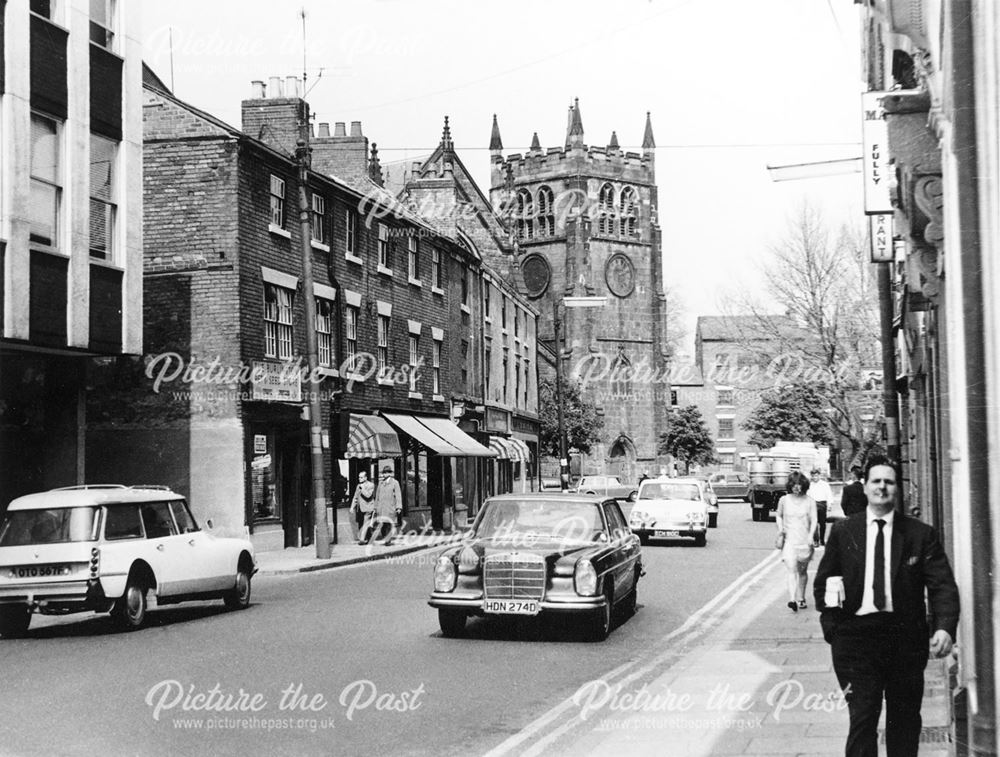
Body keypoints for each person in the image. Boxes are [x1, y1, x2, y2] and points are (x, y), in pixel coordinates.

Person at [814, 455, 959, 757]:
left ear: (898, 489)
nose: (882, 487)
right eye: (876, 481)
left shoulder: (920, 535)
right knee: (863, 718)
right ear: (865, 487)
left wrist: (945, 627)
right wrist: (834, 629)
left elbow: (942, 585)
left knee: (904, 722)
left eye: (889, 482)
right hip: (855, 642)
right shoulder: (844, 532)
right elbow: (823, 584)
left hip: (904, 641)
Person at [775, 471, 817, 612]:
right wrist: (781, 529)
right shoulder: (784, 500)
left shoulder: (810, 501)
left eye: (799, 485)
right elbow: (779, 516)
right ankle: (792, 599)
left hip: (804, 541)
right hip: (790, 542)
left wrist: (811, 535)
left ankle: (801, 597)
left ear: (803, 485)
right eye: (793, 484)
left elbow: (814, 520)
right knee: (791, 570)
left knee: (802, 572)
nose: (796, 487)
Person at [372, 464, 403, 546]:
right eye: (384, 473)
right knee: (382, 524)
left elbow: (398, 495)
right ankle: (385, 538)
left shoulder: (395, 483)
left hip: (390, 507)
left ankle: (388, 540)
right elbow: (377, 496)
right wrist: (375, 507)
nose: (384, 474)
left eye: (386, 473)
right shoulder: (381, 483)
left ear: (390, 473)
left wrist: (398, 507)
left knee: (389, 524)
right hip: (381, 508)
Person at [349, 470, 376, 544]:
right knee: (362, 524)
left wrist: (362, 488)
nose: (359, 479)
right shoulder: (359, 486)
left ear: (365, 478)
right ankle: (369, 539)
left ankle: (362, 539)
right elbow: (355, 497)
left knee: (365, 523)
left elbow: (368, 495)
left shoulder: (371, 485)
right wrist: (352, 507)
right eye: (359, 477)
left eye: (361, 477)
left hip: (368, 508)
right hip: (360, 509)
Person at [808, 468, 833, 547]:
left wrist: (829, 504)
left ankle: (822, 539)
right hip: (813, 504)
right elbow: (807, 496)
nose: (815, 477)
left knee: (822, 523)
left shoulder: (824, 484)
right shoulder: (810, 485)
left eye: (816, 475)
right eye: (813, 476)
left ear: (819, 475)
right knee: (814, 523)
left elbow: (829, 494)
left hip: (822, 504)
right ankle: (816, 540)